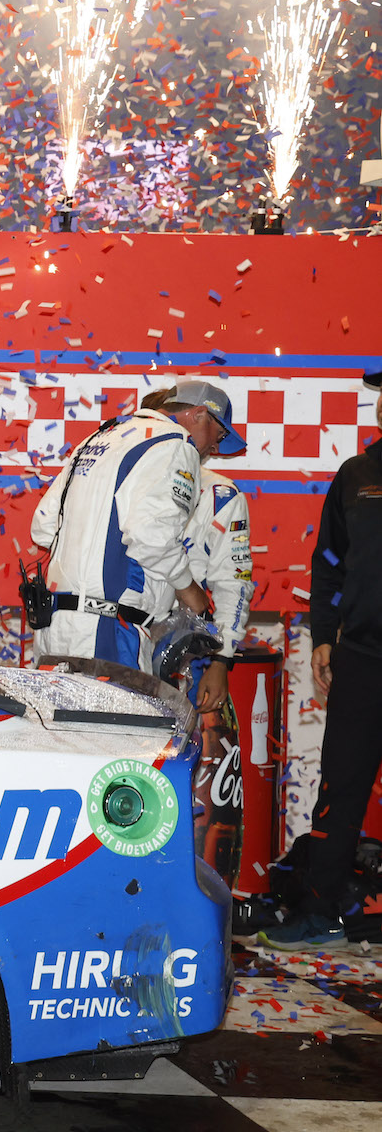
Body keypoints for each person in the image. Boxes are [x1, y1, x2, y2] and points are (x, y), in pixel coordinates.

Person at [263, 368, 382, 950]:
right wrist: (325, 636)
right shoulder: (356, 476)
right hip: (361, 659)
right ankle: (320, 912)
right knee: (340, 789)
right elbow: (329, 562)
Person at [29, 379, 233, 687]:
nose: (215, 447)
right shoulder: (177, 443)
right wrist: (191, 593)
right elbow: (151, 536)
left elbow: (43, 526)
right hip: (110, 631)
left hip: (54, 628)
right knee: (115, 734)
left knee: (58, 733)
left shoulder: (100, 436)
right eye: (219, 434)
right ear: (199, 414)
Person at [141, 387, 254, 676]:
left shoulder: (222, 496)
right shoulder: (123, 479)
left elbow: (234, 583)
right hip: (121, 631)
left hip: (183, 650)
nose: (214, 448)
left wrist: (221, 660)